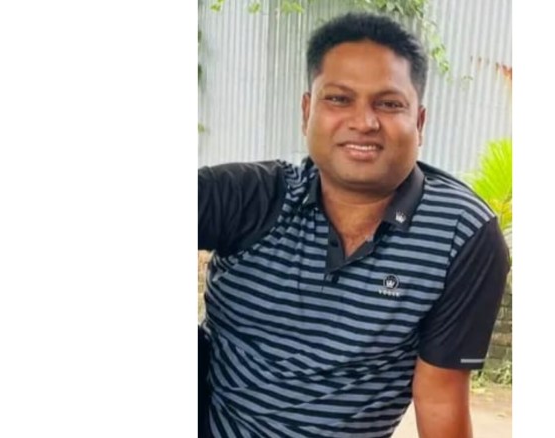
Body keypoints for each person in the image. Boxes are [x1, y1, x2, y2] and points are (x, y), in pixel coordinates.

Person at [198, 12, 510, 438]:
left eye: (389, 103)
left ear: (419, 122)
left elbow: (440, 398)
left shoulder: (461, 234)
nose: (364, 122)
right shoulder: (249, 198)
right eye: (339, 99)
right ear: (307, 111)